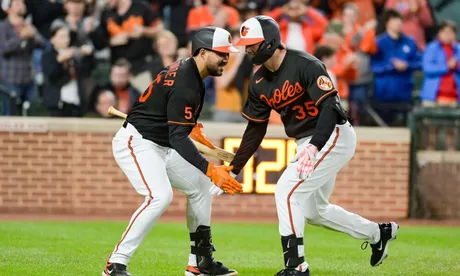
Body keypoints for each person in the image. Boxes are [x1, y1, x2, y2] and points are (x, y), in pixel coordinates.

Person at [232, 16, 399, 276]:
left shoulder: (306, 64)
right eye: (246, 44)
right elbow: (256, 128)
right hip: (305, 140)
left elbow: (330, 109)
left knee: (286, 191)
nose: (248, 49)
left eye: (253, 43)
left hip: (332, 134)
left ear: (270, 41)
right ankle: (378, 233)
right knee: (314, 211)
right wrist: (234, 167)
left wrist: (314, 147)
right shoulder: (258, 82)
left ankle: (296, 267)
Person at [102, 26, 242, 276]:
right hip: (138, 142)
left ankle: (200, 262)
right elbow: (178, 137)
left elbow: (177, 125)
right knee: (160, 196)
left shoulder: (191, 71)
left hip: (162, 142)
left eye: (227, 53)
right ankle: (115, 264)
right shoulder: (185, 82)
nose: (226, 58)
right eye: (221, 53)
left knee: (200, 189)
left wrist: (193, 129)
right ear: (202, 52)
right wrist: (210, 169)